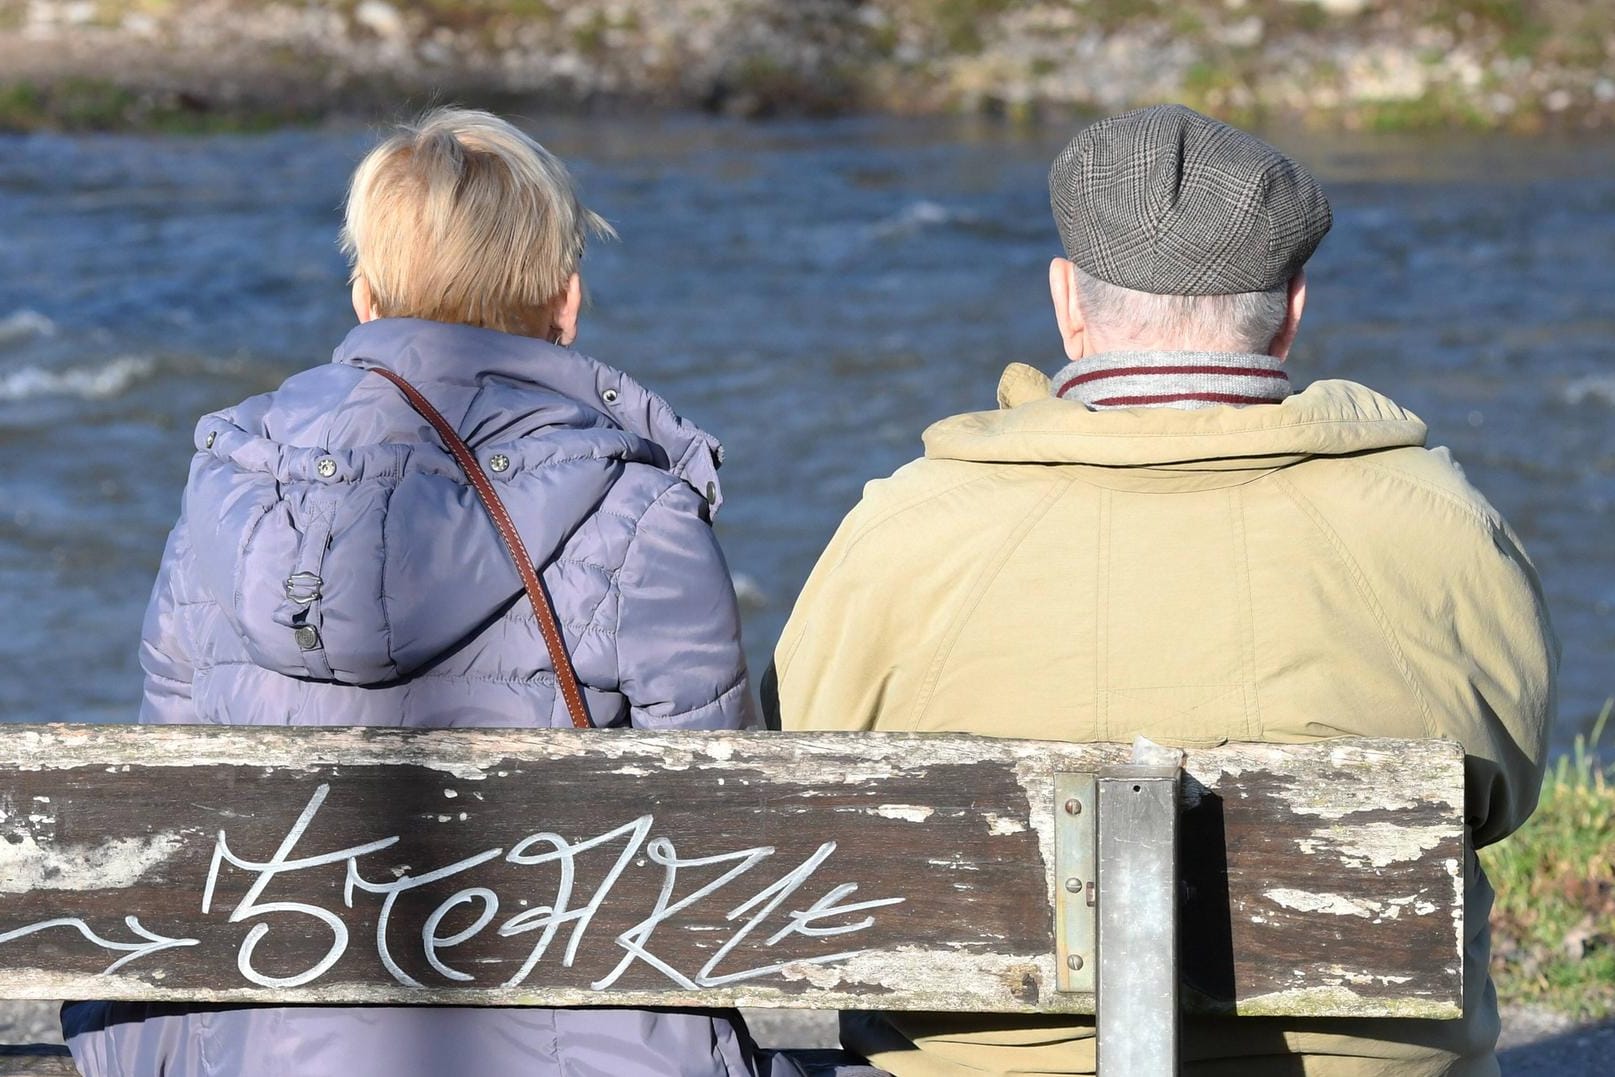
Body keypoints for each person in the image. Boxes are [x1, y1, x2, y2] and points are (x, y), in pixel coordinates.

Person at [765, 104, 1556, 1076]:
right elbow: (1504, 797)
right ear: (1293, 308)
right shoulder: (1434, 521)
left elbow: (800, 781)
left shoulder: (908, 526)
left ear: (1067, 302)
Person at [64, 108, 793, 1077]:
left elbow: (173, 827)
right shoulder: (643, 517)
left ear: (365, 298)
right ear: (565, 305)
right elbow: (719, 872)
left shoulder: (224, 492)